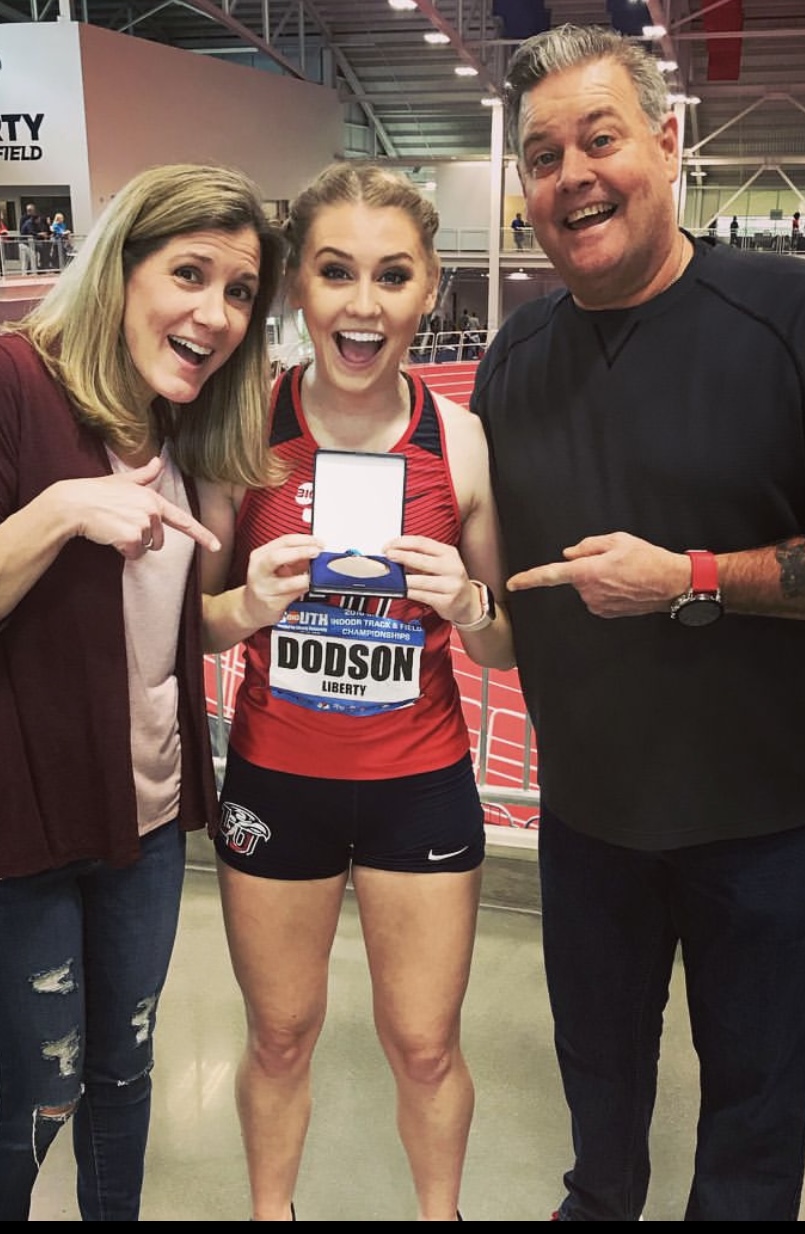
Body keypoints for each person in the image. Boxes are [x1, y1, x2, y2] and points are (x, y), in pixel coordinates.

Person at [471, 23, 805, 1223]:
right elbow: (488, 567)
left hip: (765, 827)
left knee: (754, 1128)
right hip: (588, 822)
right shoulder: (515, 357)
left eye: (600, 139)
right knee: (598, 1108)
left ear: (669, 143)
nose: (572, 177)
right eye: (542, 156)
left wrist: (695, 576)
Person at [0, 162, 284, 1221]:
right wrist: (62, 509)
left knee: (124, 1074)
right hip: (8, 830)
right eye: (189, 273)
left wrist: (248, 605)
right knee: (41, 1090)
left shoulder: (184, 425)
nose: (216, 313)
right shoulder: (1, 382)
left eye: (240, 292)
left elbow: (154, 627)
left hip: (140, 823)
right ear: (121, 267)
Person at [200, 161, 514, 1222]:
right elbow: (190, 623)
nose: (363, 305)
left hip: (417, 785)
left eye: (392, 275)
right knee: (280, 1036)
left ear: (430, 289)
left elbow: (505, 644)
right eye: (336, 272)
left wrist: (467, 602)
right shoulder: (243, 430)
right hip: (274, 782)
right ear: (298, 284)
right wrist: (246, 604)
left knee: (424, 1045)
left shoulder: (457, 440)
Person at [19, 201, 49, 273]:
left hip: (29, 242)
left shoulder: (33, 222)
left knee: (34, 254)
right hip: (25, 242)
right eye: (38, 220)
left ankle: (35, 270)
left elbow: (36, 230)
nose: (39, 221)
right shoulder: (28, 222)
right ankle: (33, 271)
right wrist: (40, 234)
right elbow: (31, 232)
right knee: (31, 257)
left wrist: (41, 234)